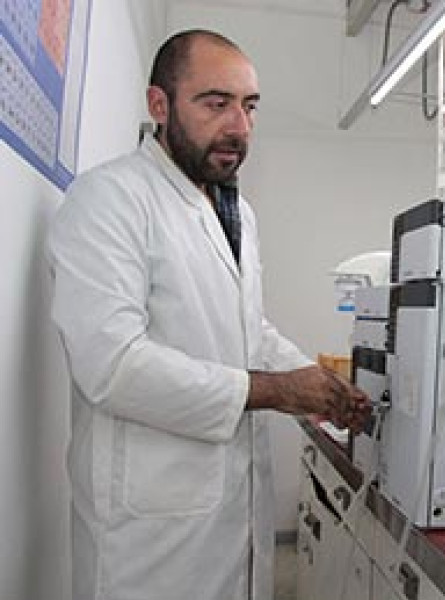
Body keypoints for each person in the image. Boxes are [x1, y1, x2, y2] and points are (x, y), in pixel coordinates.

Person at [47, 29, 371, 600]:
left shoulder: (233, 209)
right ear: (159, 104)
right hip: (149, 541)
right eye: (216, 103)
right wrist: (275, 391)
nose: (238, 127)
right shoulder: (108, 199)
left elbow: (249, 330)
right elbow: (111, 366)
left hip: (230, 519)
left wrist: (316, 383)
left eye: (249, 106)